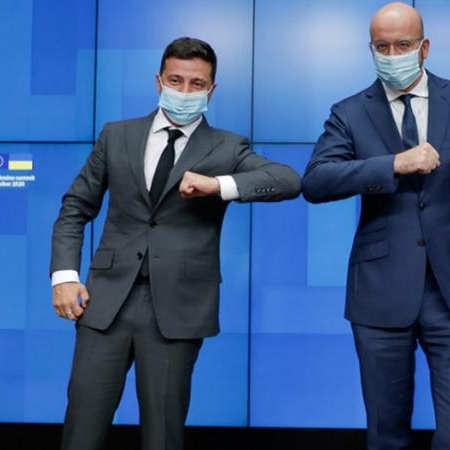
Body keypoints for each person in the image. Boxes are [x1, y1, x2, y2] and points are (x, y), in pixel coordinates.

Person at [50, 37, 301, 450]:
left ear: (211, 90)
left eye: (196, 84)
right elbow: (75, 207)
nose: (185, 91)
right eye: (175, 80)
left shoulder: (228, 146)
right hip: (105, 301)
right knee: (82, 427)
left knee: (163, 434)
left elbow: (288, 181)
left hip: (177, 307)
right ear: (158, 81)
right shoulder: (117, 135)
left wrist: (218, 185)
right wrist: (63, 276)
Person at [302, 3, 450, 449]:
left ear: (425, 47)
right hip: (379, 290)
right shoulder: (349, 111)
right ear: (371, 49)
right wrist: (394, 164)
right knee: (386, 434)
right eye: (382, 47)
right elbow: (316, 182)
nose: (392, 55)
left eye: (403, 45)